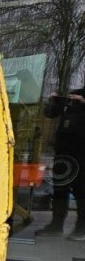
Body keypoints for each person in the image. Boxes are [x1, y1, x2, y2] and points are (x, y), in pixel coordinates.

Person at [37, 88, 85, 240]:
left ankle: (82, 227)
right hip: (63, 150)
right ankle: (56, 224)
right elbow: (50, 114)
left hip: (82, 152)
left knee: (80, 189)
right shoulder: (75, 93)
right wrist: (55, 101)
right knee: (60, 187)